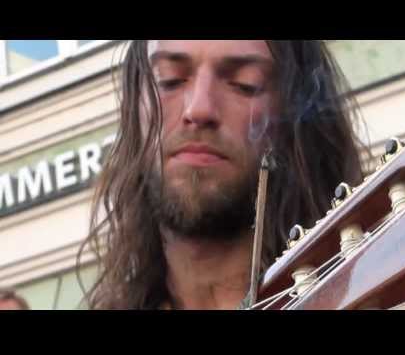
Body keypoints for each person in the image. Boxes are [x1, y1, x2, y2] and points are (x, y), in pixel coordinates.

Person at [78, 40, 366, 310]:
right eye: (169, 79)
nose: (198, 108)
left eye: (245, 84)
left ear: (292, 120)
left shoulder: (375, 288)